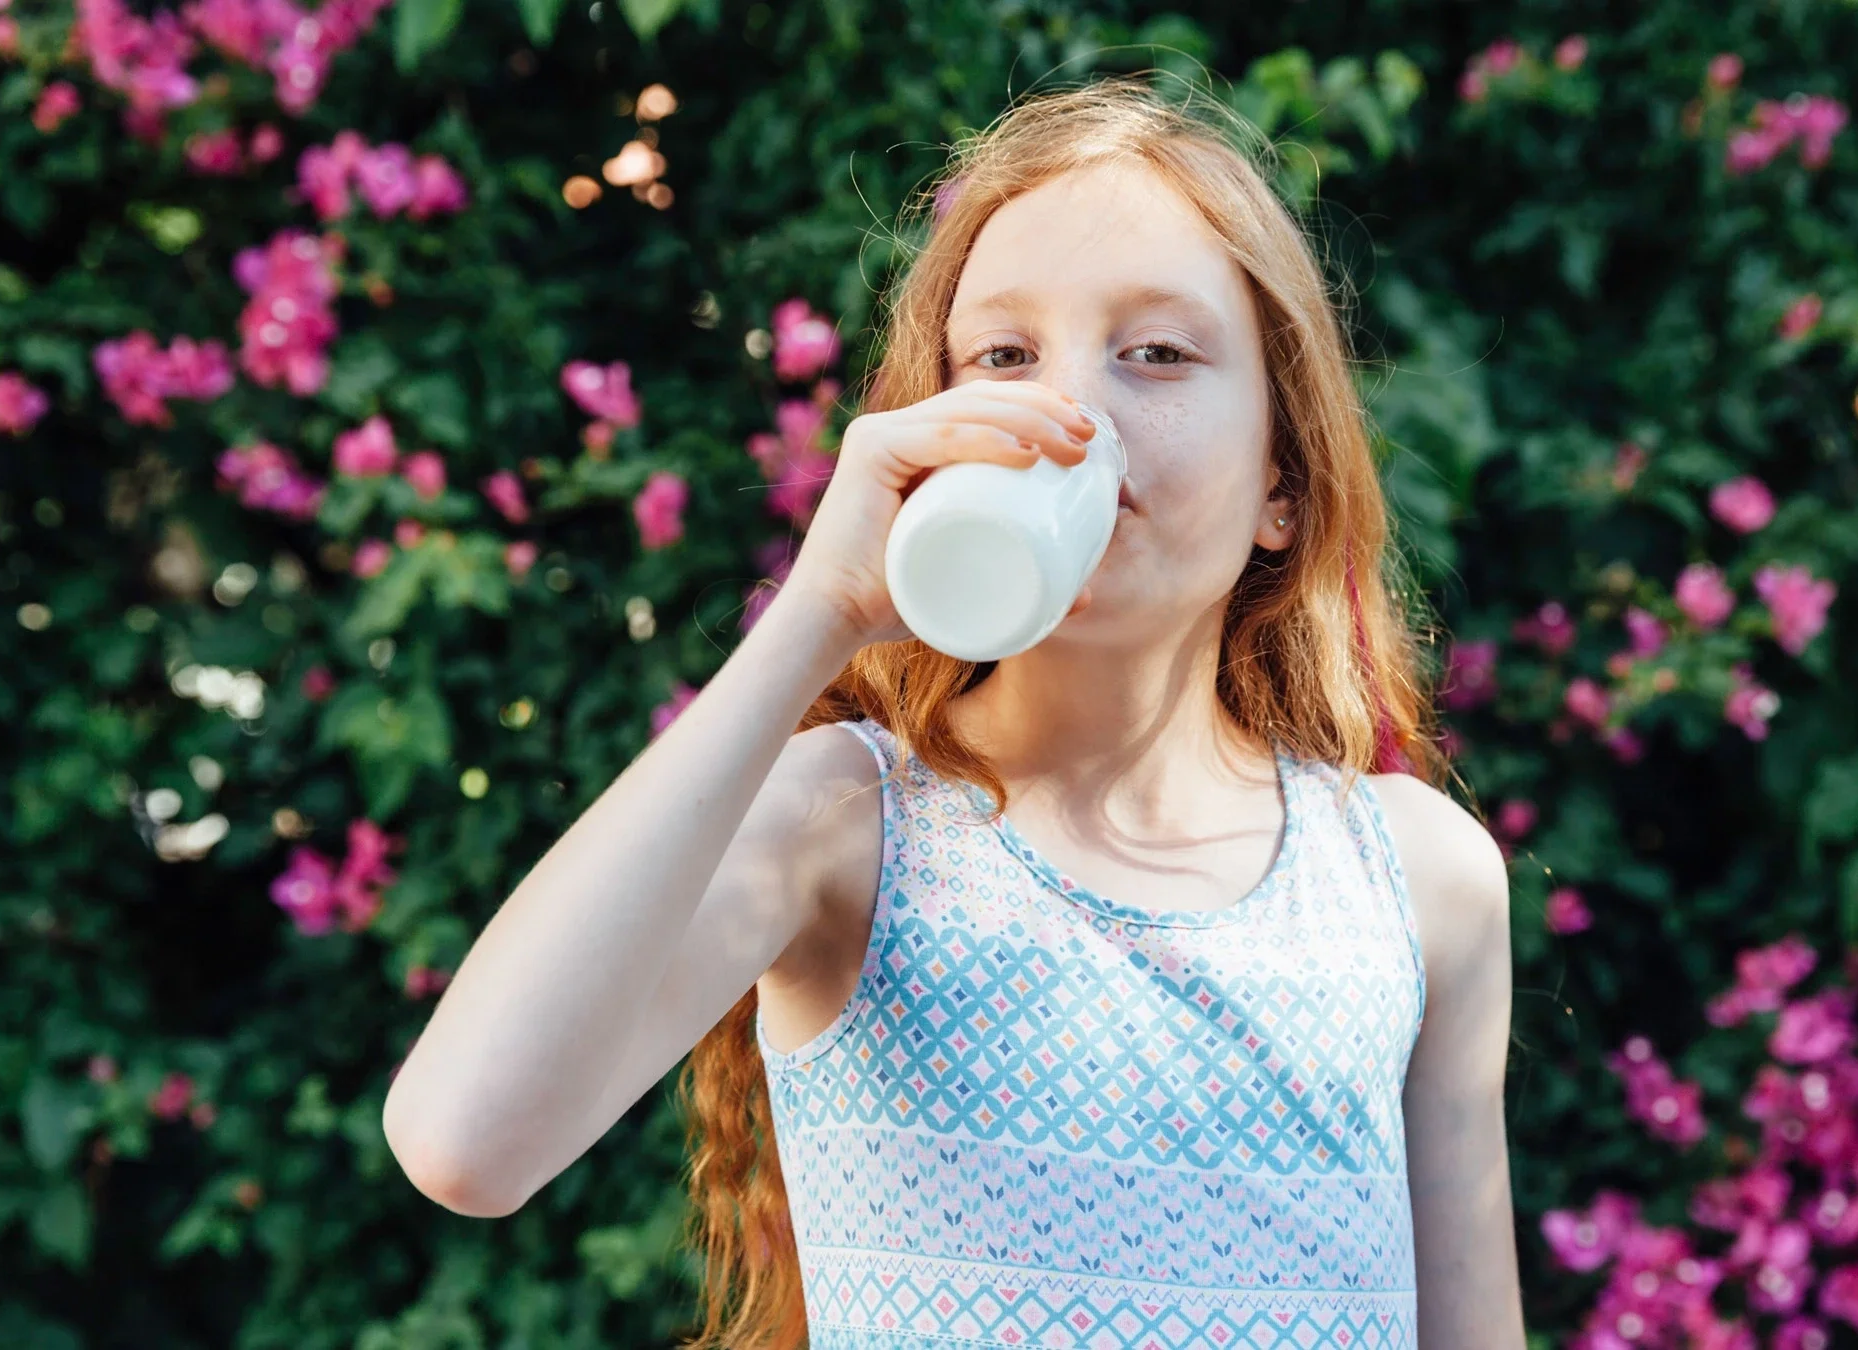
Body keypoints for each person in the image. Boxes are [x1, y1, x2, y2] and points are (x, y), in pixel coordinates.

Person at [383, 76, 1522, 1349]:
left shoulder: (1419, 885)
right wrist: (815, 612)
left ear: (1284, 482)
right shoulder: (846, 826)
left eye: (1156, 352)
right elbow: (465, 1141)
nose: (1071, 417)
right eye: (1003, 357)